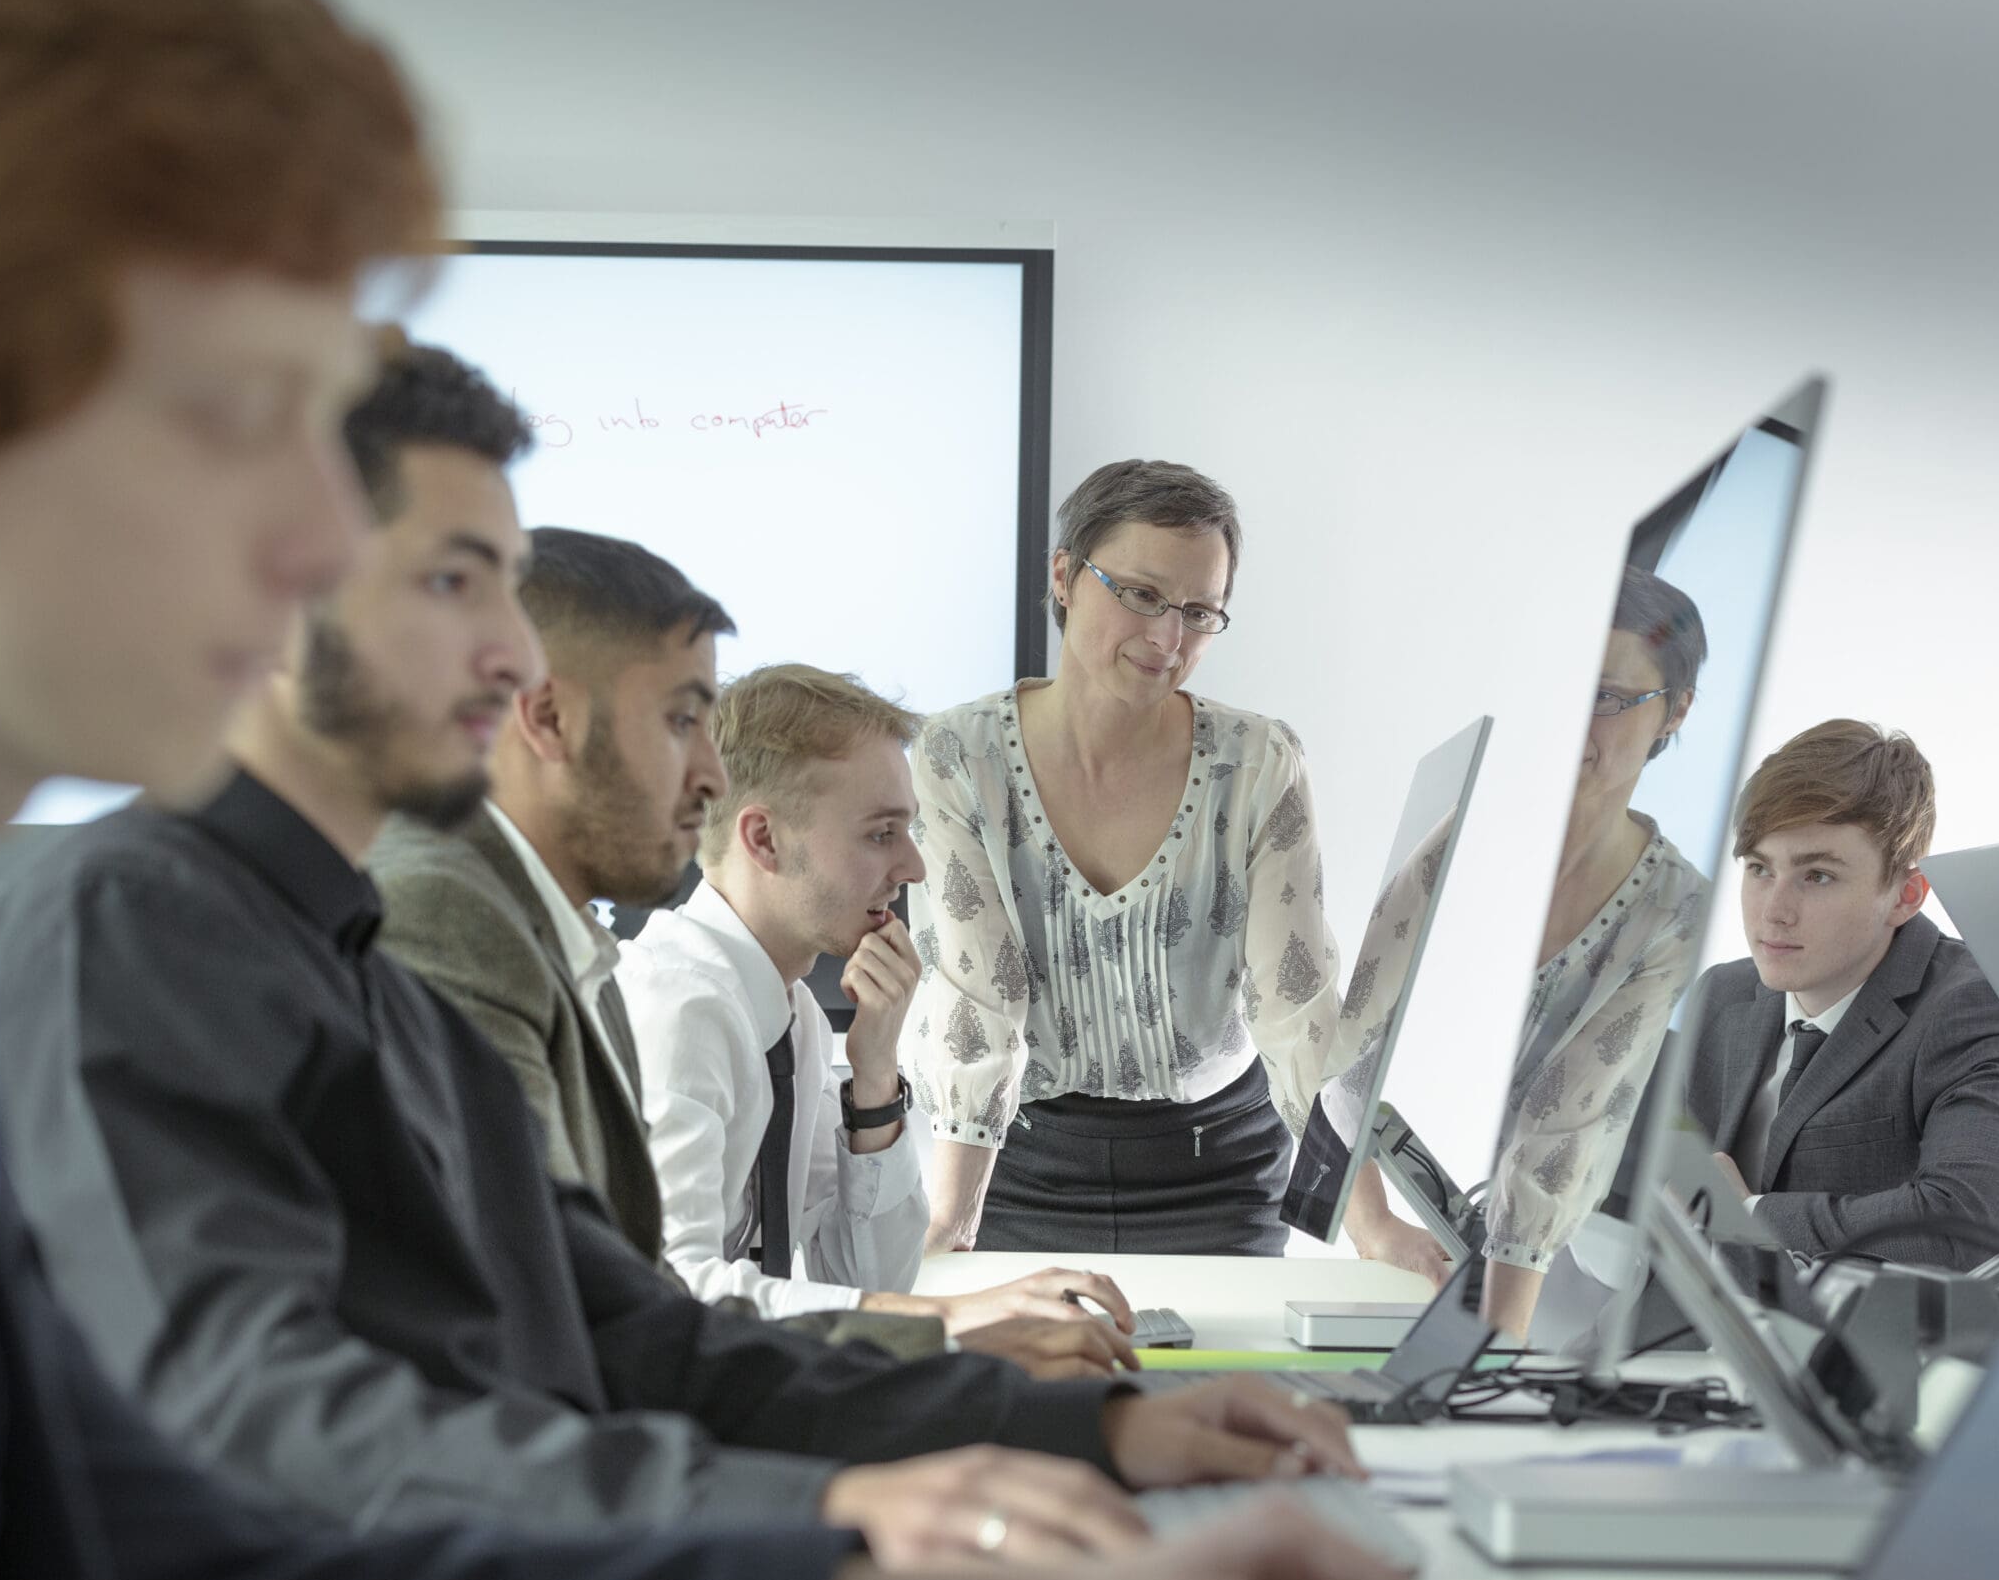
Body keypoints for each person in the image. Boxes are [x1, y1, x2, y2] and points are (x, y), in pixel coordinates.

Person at [0, 329, 1372, 1565]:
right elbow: (275, 1427)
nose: (517, 654)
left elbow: (630, 1330)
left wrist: (1098, 1424)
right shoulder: (148, 923)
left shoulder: (351, 947)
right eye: (458, 580)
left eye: (511, 589)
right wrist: (823, 1537)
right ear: (279, 586)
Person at [379, 528, 1140, 1370]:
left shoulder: (794, 1015)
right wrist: (950, 1323)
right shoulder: (678, 1001)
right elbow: (675, 1286)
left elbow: (874, 1273)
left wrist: (876, 1073)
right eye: (882, 833)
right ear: (764, 841)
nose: (915, 865)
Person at [906, 460, 1344, 1255]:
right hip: (1016, 1162)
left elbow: (1298, 1007)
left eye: (1200, 612)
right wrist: (951, 1224)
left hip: (1219, 1168)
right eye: (1141, 595)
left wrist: (1374, 1221)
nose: (1167, 638)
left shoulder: (1259, 762)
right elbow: (979, 994)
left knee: (1219, 1377)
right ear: (1066, 576)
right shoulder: (955, 755)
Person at [1341, 569, 1713, 1337]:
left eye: (1609, 698)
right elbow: (1344, 1047)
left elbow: (1566, 1126)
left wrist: (1492, 1348)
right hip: (1444, 1257)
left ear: (1675, 710)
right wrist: (1372, 1223)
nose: (1579, 726)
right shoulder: (1469, 837)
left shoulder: (1672, 907)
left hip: (1564, 1285)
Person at [1689, 720, 1999, 1267]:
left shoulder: (1979, 1007)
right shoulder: (1722, 994)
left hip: (1902, 1346)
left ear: (1906, 895)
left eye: (1817, 877)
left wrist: (1750, 1215)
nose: (1773, 912)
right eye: (1760, 869)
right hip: (1703, 1334)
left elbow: (1968, 1227)